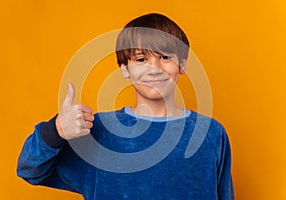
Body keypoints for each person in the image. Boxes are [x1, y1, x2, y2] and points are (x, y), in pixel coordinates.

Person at [17, 13, 234, 200]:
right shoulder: (98, 131)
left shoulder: (211, 134)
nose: (154, 68)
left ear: (182, 65)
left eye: (165, 57)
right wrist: (55, 131)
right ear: (124, 69)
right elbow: (30, 170)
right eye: (141, 59)